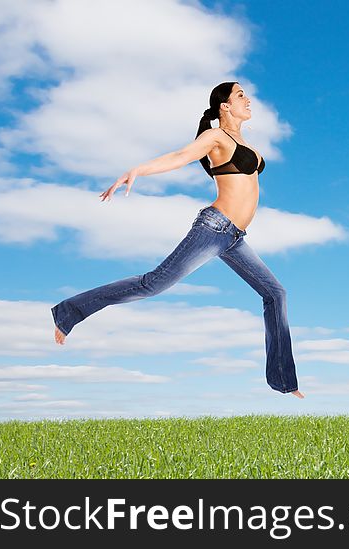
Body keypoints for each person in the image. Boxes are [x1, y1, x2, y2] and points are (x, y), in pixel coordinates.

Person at [51, 82, 304, 399]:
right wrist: (138, 170)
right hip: (214, 228)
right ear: (224, 106)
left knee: (275, 293)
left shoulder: (246, 142)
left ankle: (283, 380)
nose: (247, 99)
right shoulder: (215, 137)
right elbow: (181, 156)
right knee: (152, 284)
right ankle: (68, 313)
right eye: (240, 95)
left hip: (234, 238)